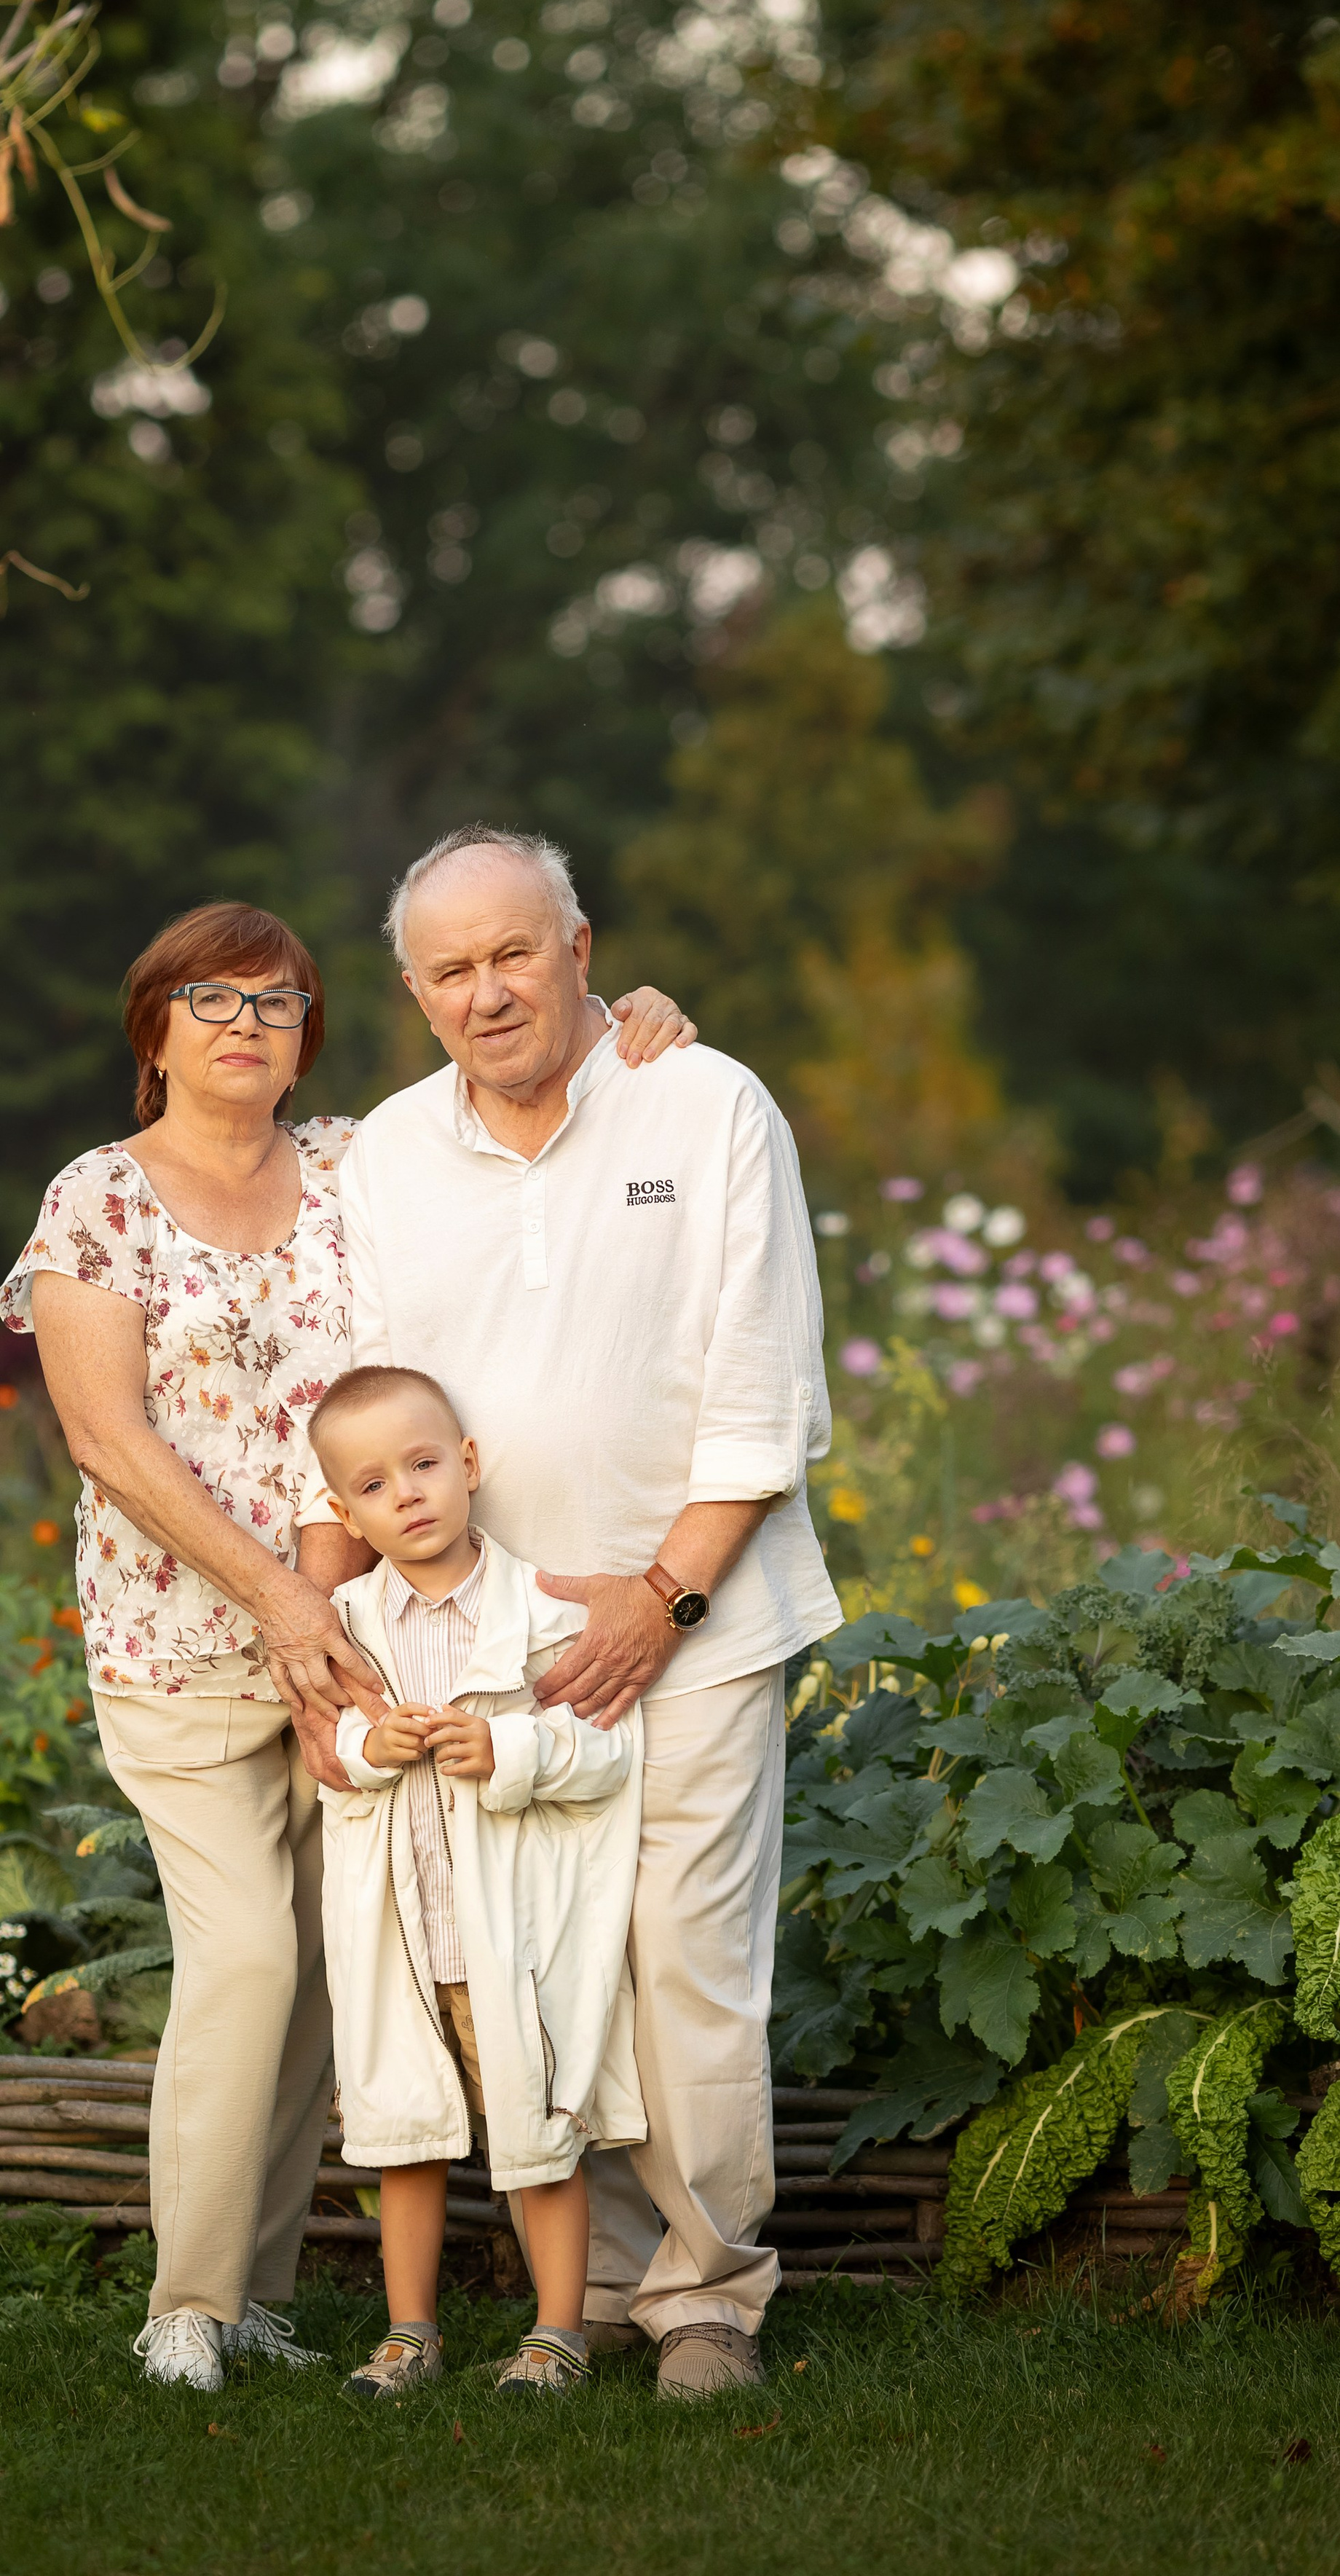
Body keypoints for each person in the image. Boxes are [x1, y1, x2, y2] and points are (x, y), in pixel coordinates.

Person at [0, 897, 693, 2392]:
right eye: (211, 1001)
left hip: (364, 1646)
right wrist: (276, 1598)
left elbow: (507, 1091)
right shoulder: (96, 1202)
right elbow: (108, 1441)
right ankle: (182, 2304)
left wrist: (617, 1019)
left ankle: (253, 2298)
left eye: (275, 1002)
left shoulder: (347, 1166)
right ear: (153, 1028)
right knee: (245, 1955)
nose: (245, 1026)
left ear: (309, 1031)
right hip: (182, 1644)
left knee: (336, 1967)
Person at [326, 825, 842, 2400]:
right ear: (413, 995)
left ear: (577, 944)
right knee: (547, 1966)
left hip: (691, 1617)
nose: (487, 993)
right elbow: (356, 1402)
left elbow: (761, 1383)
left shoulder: (699, 1100)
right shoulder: (386, 1157)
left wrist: (661, 1596)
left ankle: (701, 2302)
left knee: (683, 1961)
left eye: (512, 952)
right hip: (481, 1657)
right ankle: (589, 2289)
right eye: (450, 969)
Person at [308, 1363, 643, 2404]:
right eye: (372, 1485)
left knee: (540, 2137)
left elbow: (606, 1754)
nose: (405, 1494)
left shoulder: (538, 1611)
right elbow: (331, 1758)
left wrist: (507, 1747)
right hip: (404, 1942)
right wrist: (374, 1743)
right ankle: (412, 2333)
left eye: (421, 1465)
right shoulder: (348, 1628)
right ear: (344, 1513)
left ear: (468, 1465)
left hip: (507, 1942)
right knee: (405, 2139)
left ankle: (558, 2333)